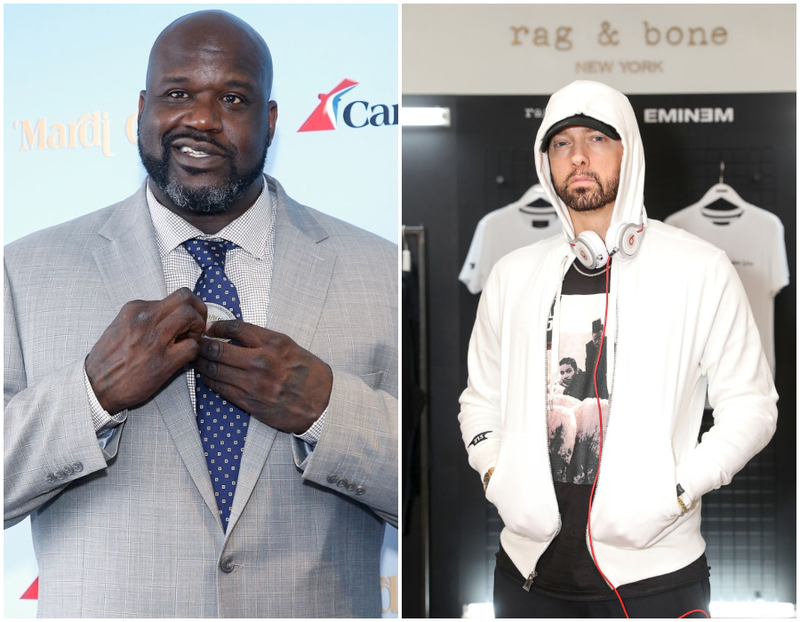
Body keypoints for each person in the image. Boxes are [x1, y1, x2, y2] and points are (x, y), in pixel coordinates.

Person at [4, 10, 397, 618]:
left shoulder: (378, 272)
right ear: (141, 108)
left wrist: (327, 413)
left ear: (269, 121)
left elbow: (435, 492)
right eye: (178, 94)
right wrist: (90, 396)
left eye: (233, 98)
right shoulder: (26, 270)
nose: (202, 120)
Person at [458, 80, 777, 618]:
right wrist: (495, 472)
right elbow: (478, 400)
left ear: (629, 149)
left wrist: (677, 492)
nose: (578, 155)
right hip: (526, 574)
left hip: (657, 577)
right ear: (545, 162)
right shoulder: (511, 275)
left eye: (598, 139)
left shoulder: (699, 268)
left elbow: (752, 408)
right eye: (561, 143)